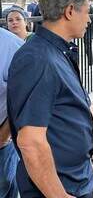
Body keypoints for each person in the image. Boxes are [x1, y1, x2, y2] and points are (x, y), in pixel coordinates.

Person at [7, 0, 93, 198]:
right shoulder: (38, 59)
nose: (89, 19)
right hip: (58, 189)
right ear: (69, 11)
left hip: (74, 180)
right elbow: (31, 143)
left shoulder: (54, 52)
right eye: (86, 11)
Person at [0, 27, 23, 198]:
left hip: (2, 141)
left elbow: (22, 96)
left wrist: (4, 134)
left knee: (6, 184)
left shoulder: (12, 45)